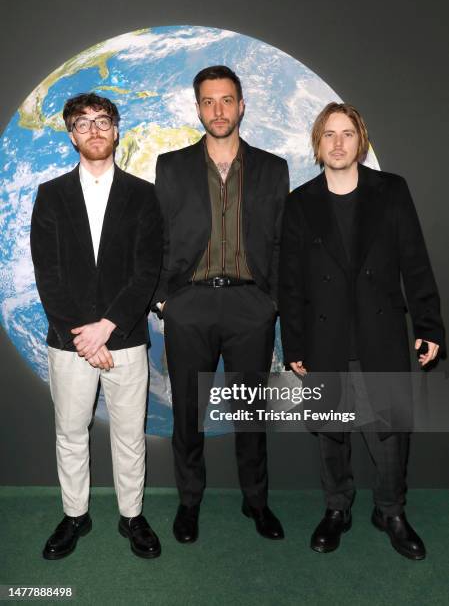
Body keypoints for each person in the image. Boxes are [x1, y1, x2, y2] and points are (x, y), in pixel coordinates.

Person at [279, 102, 445, 560]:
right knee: (332, 434)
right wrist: (293, 342)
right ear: (317, 143)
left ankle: (391, 512)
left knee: (390, 435)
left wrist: (429, 324)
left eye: (347, 133)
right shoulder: (299, 204)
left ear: (361, 141)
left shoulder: (391, 192)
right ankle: (337, 510)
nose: (337, 142)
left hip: (382, 334)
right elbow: (289, 282)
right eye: (329, 134)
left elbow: (415, 263)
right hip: (322, 338)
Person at [153, 65, 289, 543]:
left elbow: (278, 242)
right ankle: (189, 504)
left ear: (241, 105)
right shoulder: (171, 167)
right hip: (189, 306)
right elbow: (159, 238)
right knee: (187, 415)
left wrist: (271, 301)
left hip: (252, 307)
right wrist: (164, 299)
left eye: (227, 100)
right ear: (198, 108)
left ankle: (257, 502)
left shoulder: (273, 168)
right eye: (209, 101)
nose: (218, 110)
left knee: (251, 415)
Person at [30, 93, 162, 560]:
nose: (93, 130)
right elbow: (48, 274)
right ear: (71, 135)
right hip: (69, 343)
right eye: (82, 124)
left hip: (125, 338)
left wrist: (106, 326)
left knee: (129, 434)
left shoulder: (144, 195)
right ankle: (75, 516)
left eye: (102, 121)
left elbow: (147, 270)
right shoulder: (50, 195)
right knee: (70, 432)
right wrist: (82, 336)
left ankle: (132, 517)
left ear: (116, 129)